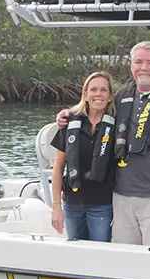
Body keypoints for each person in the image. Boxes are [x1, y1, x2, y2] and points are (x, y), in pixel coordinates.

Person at [56, 41, 150, 247]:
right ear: (131, 65)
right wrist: (66, 115)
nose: (144, 67)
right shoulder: (121, 97)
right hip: (121, 197)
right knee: (123, 258)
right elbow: (93, 108)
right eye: (138, 62)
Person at [50, 71, 117, 242]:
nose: (98, 94)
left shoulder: (117, 125)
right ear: (85, 94)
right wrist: (56, 207)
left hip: (102, 204)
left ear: (110, 96)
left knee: (100, 255)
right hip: (72, 203)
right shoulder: (70, 122)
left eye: (103, 90)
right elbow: (58, 167)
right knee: (75, 254)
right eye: (93, 89)